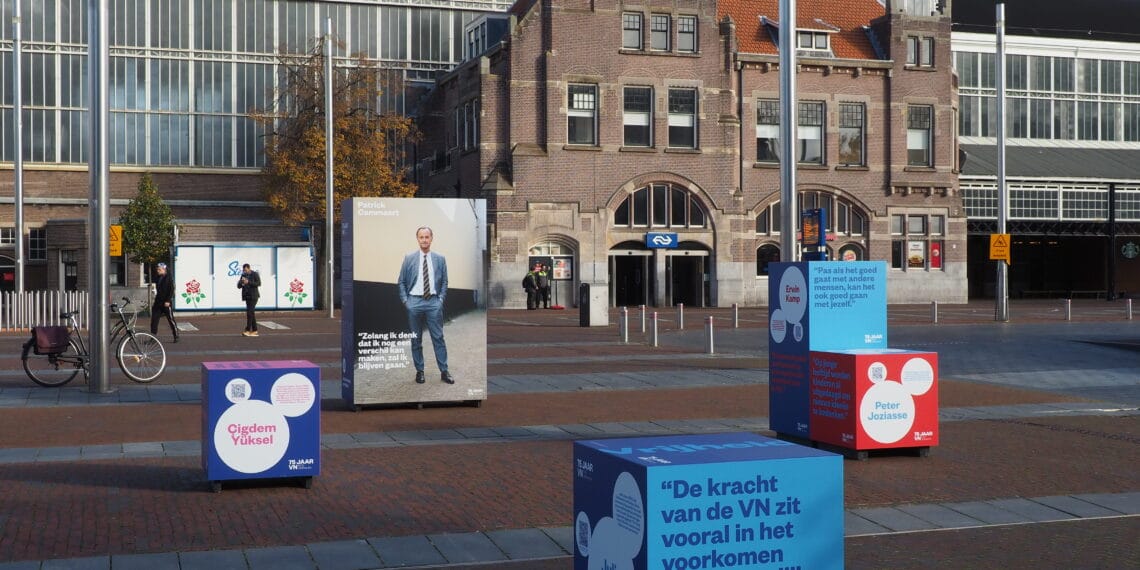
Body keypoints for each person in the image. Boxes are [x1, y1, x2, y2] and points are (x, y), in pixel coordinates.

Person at [397, 227, 453, 384]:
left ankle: (444, 371)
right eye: (421, 237)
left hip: (434, 302)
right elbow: (401, 281)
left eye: (427, 237)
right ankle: (420, 371)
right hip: (414, 302)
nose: (424, 240)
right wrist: (406, 301)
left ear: (431, 238)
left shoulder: (440, 259)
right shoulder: (409, 258)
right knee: (416, 339)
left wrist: (441, 299)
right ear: (417, 239)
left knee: (438, 338)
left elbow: (445, 281)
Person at [150, 262, 180, 343]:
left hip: (166, 303)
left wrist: (168, 301)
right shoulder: (157, 277)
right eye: (157, 269)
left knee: (170, 319)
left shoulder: (169, 278)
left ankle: (176, 335)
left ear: (164, 270)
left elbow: (171, 290)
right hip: (158, 302)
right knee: (154, 321)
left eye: (159, 269)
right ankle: (153, 338)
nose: (158, 271)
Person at [237, 263, 261, 337]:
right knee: (251, 313)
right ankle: (255, 330)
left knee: (249, 313)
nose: (245, 271)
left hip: (254, 296)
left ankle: (247, 330)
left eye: (246, 270)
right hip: (247, 297)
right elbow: (238, 286)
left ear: (249, 268)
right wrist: (241, 282)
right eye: (244, 270)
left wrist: (248, 282)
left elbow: (259, 283)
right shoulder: (243, 275)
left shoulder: (255, 274)